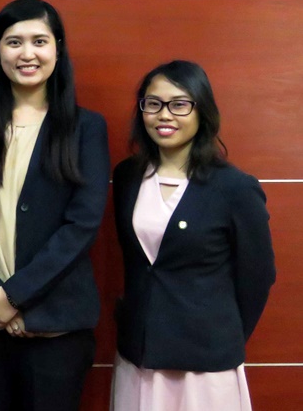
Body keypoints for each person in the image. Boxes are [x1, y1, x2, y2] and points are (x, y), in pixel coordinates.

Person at [0, 0, 109, 411]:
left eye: (40, 41)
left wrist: (15, 296)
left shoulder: (86, 128)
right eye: (14, 42)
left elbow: (82, 225)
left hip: (57, 328)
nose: (27, 53)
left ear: (58, 48)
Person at [110, 60, 276, 411]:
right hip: (139, 355)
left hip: (204, 364)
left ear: (203, 110)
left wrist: (220, 334)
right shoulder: (127, 177)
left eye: (179, 104)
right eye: (153, 103)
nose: (164, 115)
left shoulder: (235, 188)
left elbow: (257, 277)